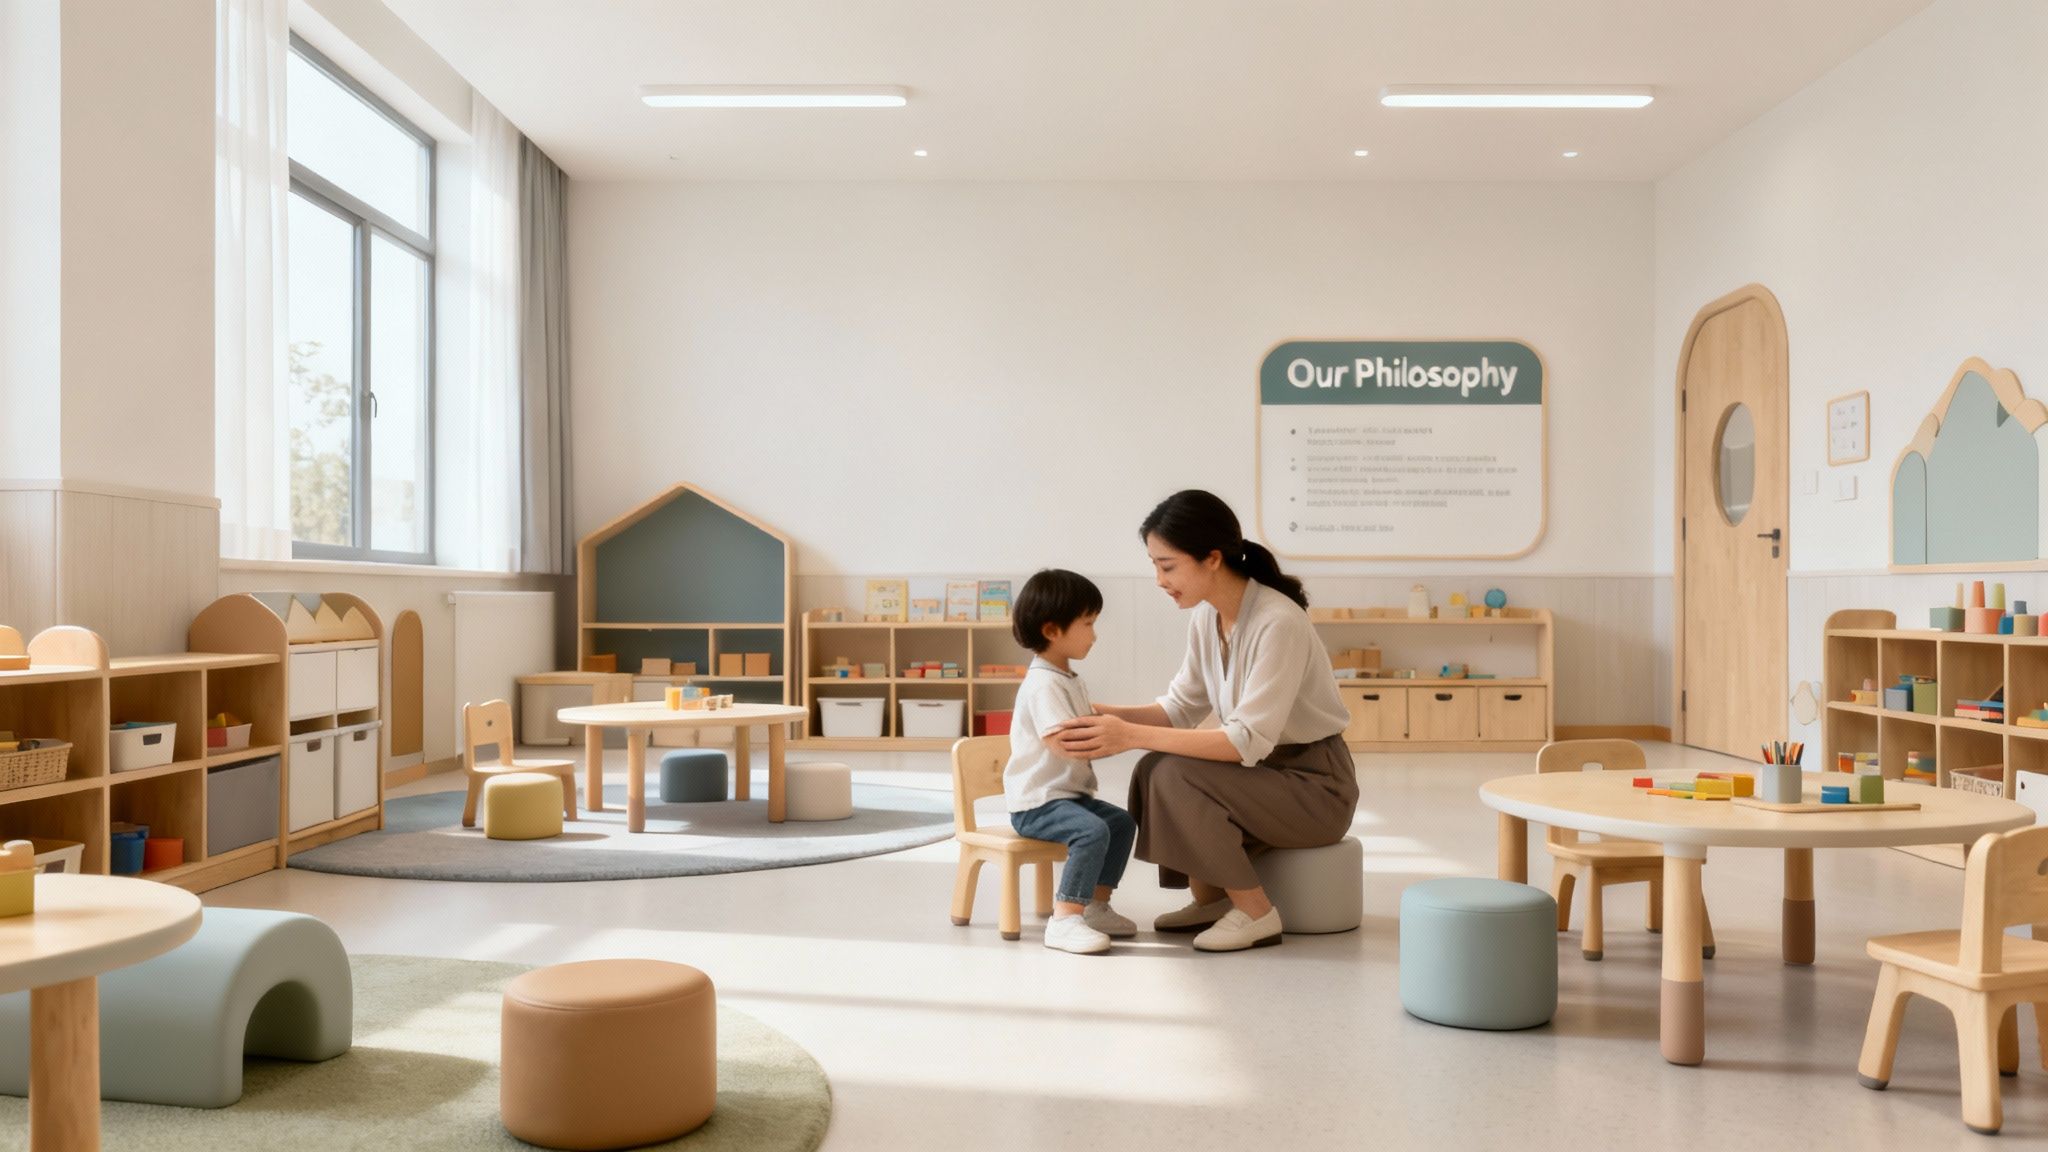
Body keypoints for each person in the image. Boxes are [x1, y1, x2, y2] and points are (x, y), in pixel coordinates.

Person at [1048, 490, 1357, 953]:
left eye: (1167, 566)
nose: (1158, 579)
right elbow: (1178, 708)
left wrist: (1128, 735)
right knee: (1155, 767)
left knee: (1172, 773)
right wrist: (1103, 715)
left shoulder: (1278, 622)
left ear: (1212, 558)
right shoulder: (1207, 620)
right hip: (1265, 773)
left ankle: (1257, 913)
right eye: (1155, 565)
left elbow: (1246, 741)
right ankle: (1212, 900)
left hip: (1314, 784)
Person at [1002, 568, 1139, 955]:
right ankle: (1064, 918)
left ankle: (1096, 905)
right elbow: (1061, 741)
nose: (1094, 634)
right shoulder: (1044, 683)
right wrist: (1113, 743)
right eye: (1088, 623)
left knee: (1121, 823)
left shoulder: (1068, 679)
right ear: (1052, 631)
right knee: (1091, 831)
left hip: (1067, 796)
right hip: (1038, 803)